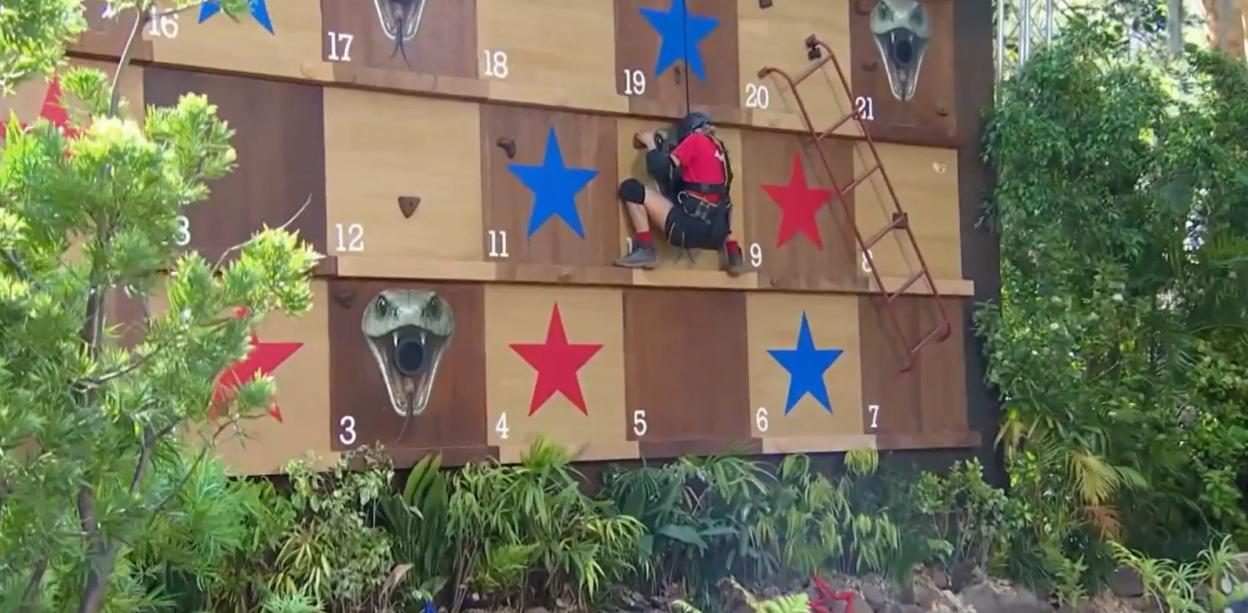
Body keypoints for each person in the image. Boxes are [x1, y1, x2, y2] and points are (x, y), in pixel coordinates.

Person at [613, 112, 745, 275]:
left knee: (631, 189)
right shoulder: (720, 150)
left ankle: (645, 248)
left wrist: (650, 144)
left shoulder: (695, 140)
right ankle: (735, 255)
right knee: (719, 201)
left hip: (686, 228)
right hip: (716, 235)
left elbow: (659, 167)